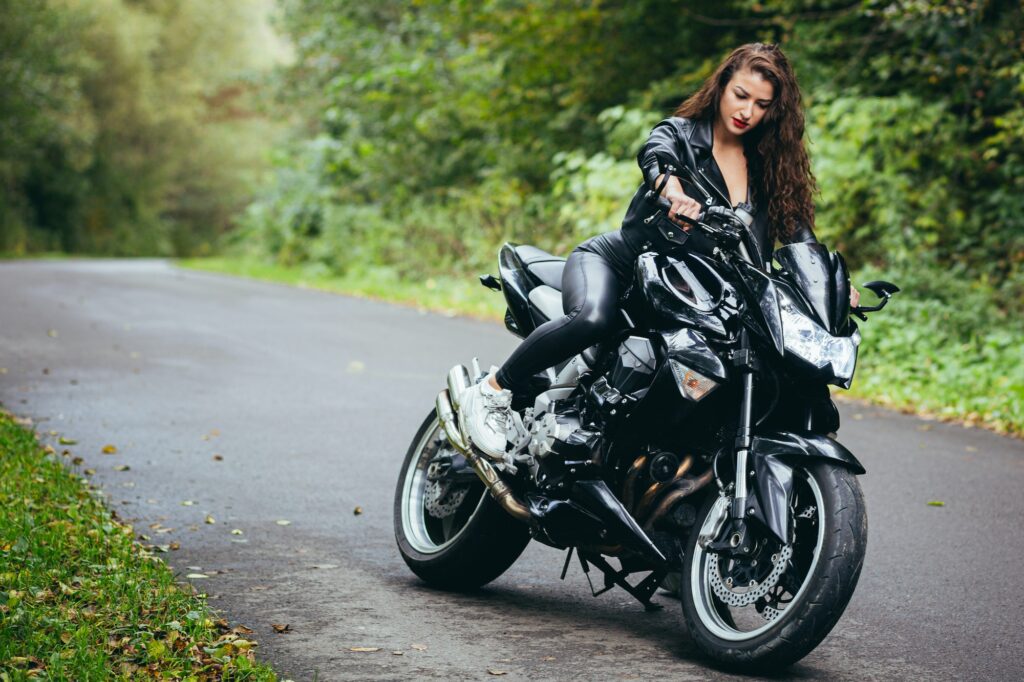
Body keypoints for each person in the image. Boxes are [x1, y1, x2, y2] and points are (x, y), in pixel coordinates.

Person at [459, 42, 859, 459]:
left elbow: (800, 237)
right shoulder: (682, 134)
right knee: (592, 316)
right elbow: (656, 155)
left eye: (761, 104)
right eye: (741, 95)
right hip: (623, 264)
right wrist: (671, 189)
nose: (747, 111)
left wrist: (829, 287)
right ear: (722, 86)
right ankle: (491, 391)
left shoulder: (768, 167)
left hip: (699, 296)